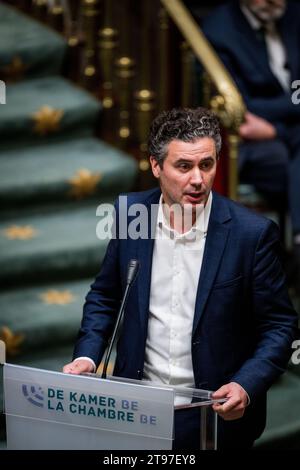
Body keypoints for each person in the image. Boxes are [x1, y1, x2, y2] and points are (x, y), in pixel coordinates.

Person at [63, 107, 297, 449]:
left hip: (213, 413)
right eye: (184, 166)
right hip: (137, 409)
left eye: (207, 164)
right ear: (157, 166)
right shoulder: (132, 214)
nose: (199, 179)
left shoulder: (252, 234)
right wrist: (87, 356)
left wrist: (245, 384)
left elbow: (279, 325)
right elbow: (105, 295)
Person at [201, 0, 300, 294]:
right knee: (281, 160)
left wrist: (277, 126)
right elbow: (238, 108)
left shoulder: (295, 14)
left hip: (277, 131)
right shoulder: (219, 30)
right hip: (249, 143)